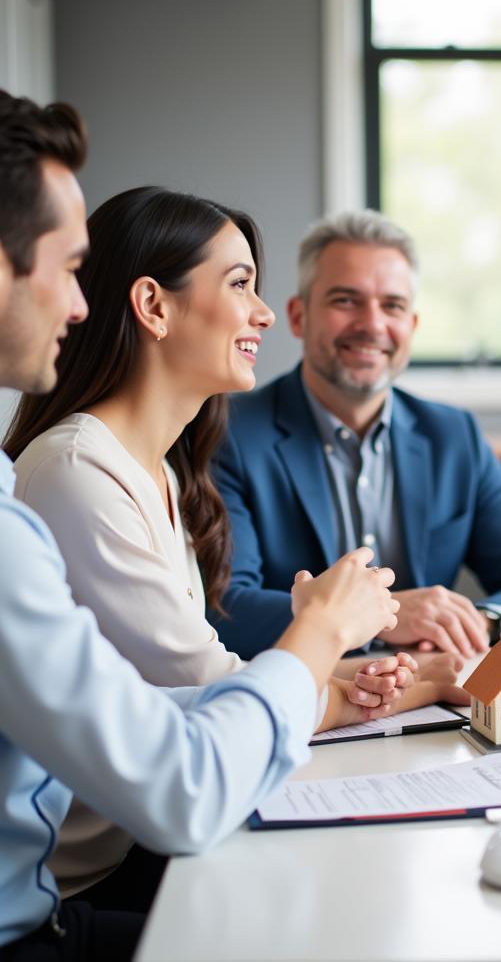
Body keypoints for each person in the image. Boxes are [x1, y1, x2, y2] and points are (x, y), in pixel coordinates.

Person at [0, 89, 398, 960]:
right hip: (92, 874)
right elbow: (195, 730)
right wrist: (320, 638)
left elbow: (166, 700)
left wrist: (319, 665)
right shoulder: (73, 469)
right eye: (244, 286)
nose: (263, 316)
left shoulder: (166, 472)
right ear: (153, 306)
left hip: (111, 859)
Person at [209, 209, 501, 661]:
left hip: (432, 695)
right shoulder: (227, 432)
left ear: (413, 327)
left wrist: (480, 624)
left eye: (393, 305)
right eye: (346, 300)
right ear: (298, 316)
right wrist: (383, 616)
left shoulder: (453, 436)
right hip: (308, 702)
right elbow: (226, 608)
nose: (373, 324)